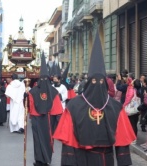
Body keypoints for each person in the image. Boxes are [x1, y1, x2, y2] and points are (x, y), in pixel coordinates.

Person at [53, 31, 136, 166]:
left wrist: (124, 163)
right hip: (81, 158)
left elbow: (122, 141)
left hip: (105, 159)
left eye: (101, 82)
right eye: (93, 82)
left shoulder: (115, 107)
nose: (97, 85)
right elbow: (68, 142)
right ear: (88, 82)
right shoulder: (74, 106)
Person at [28, 54, 63, 166]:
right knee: (45, 140)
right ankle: (45, 159)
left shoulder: (33, 91)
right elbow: (58, 110)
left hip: (38, 119)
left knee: (38, 140)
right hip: (48, 119)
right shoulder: (53, 92)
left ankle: (40, 160)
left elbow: (31, 107)